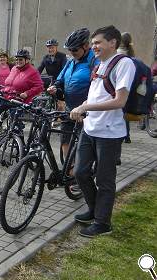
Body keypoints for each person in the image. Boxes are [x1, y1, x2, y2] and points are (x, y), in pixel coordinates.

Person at [70, 25, 135, 238]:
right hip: (90, 128)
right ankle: (94, 209)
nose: (94, 46)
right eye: (93, 43)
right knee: (80, 172)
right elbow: (96, 96)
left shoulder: (123, 64)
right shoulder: (99, 65)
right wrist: (81, 106)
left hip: (109, 134)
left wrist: (86, 107)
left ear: (112, 43)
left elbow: (120, 100)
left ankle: (102, 222)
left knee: (105, 180)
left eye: (98, 42)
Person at [47, 28, 97, 164]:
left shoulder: (95, 61)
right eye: (69, 50)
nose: (71, 53)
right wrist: (55, 87)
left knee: (83, 146)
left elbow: (98, 88)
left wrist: (85, 108)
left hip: (86, 112)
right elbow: (60, 78)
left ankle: (81, 174)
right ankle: (70, 171)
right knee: (65, 139)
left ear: (86, 46)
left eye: (74, 50)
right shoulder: (71, 61)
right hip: (70, 109)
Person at [117, 32, 135, 143]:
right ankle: (127, 135)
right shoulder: (131, 52)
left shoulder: (118, 53)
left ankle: (121, 135)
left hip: (120, 84)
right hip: (130, 85)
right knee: (125, 111)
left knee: (119, 111)